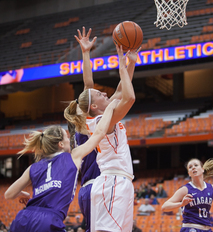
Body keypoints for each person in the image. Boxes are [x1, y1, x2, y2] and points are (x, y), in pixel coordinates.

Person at [64, 27, 139, 232]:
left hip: (113, 181)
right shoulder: (96, 121)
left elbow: (121, 90)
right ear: (92, 108)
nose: (104, 93)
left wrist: (130, 63)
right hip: (100, 182)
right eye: (99, 94)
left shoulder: (104, 115)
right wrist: (122, 64)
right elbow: (123, 95)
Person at [4, 99, 117, 232]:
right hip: (48, 220)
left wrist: (21, 193)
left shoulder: (33, 167)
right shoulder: (73, 156)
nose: (70, 140)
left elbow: (8, 194)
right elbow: (99, 133)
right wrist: (110, 108)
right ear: (61, 144)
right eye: (67, 137)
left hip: (22, 219)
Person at [66, 27, 100, 232]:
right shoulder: (84, 127)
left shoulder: (95, 124)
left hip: (96, 186)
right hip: (94, 185)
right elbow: (88, 86)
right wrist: (86, 53)